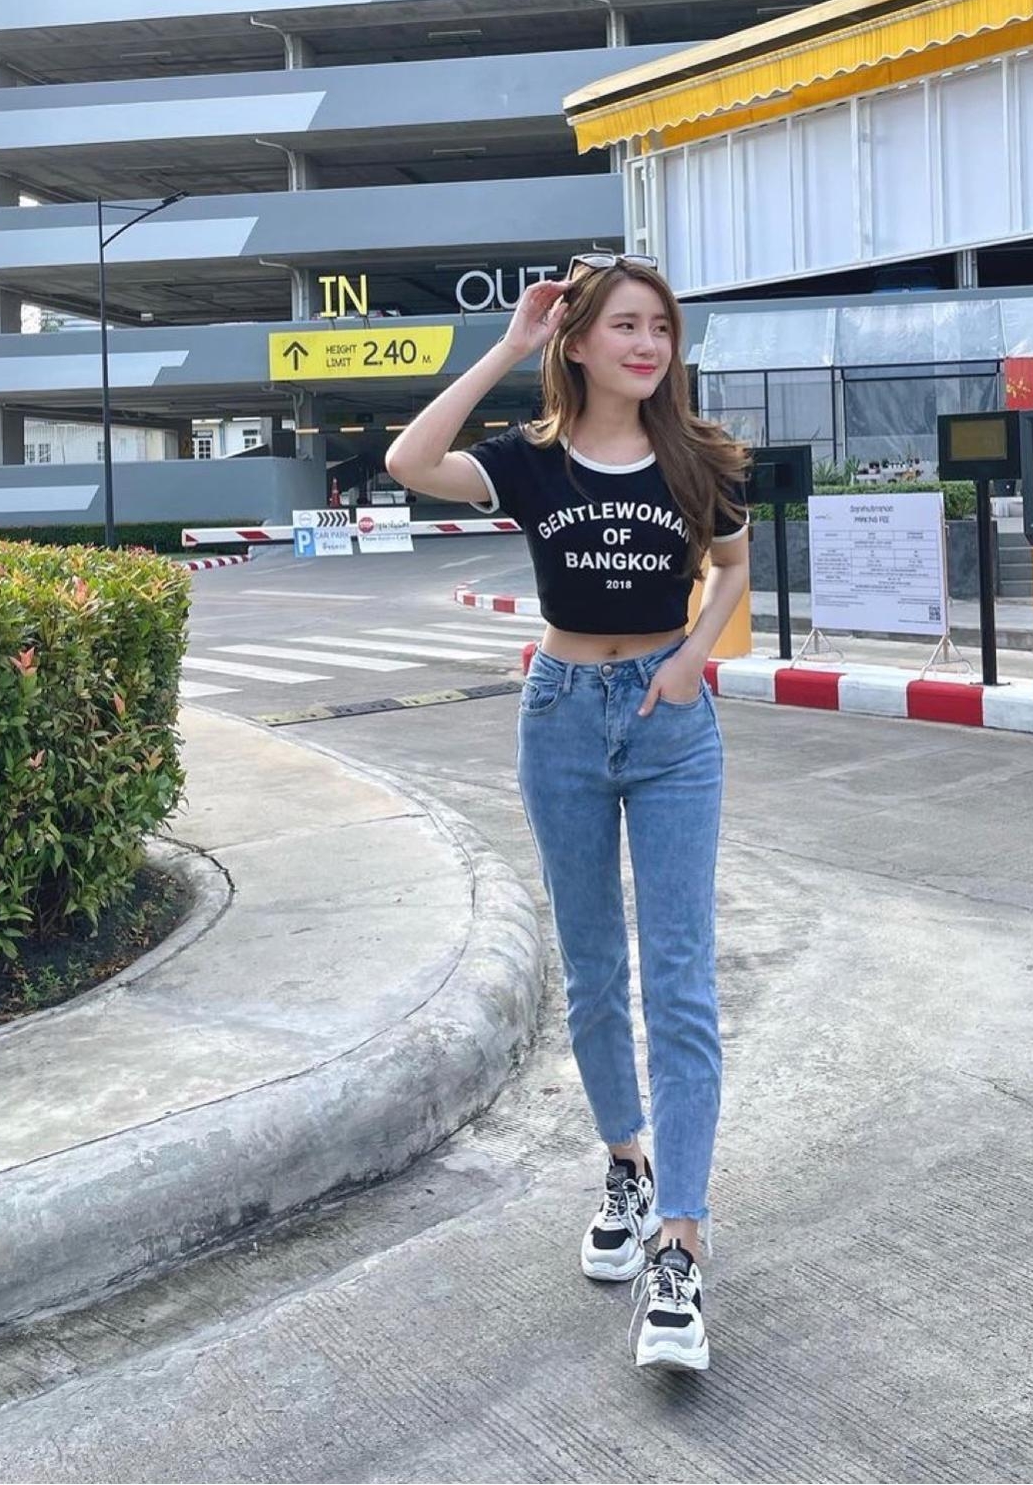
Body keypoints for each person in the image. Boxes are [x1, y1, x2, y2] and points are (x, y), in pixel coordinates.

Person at [384, 252, 752, 1374]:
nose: (647, 345)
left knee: (678, 978)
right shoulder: (532, 460)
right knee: (593, 970)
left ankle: (680, 1243)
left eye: (660, 328)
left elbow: (735, 568)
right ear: (580, 343)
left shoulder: (697, 456)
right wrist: (507, 346)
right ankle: (627, 1166)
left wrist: (690, 658)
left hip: (669, 722)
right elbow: (410, 461)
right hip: (559, 716)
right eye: (625, 326)